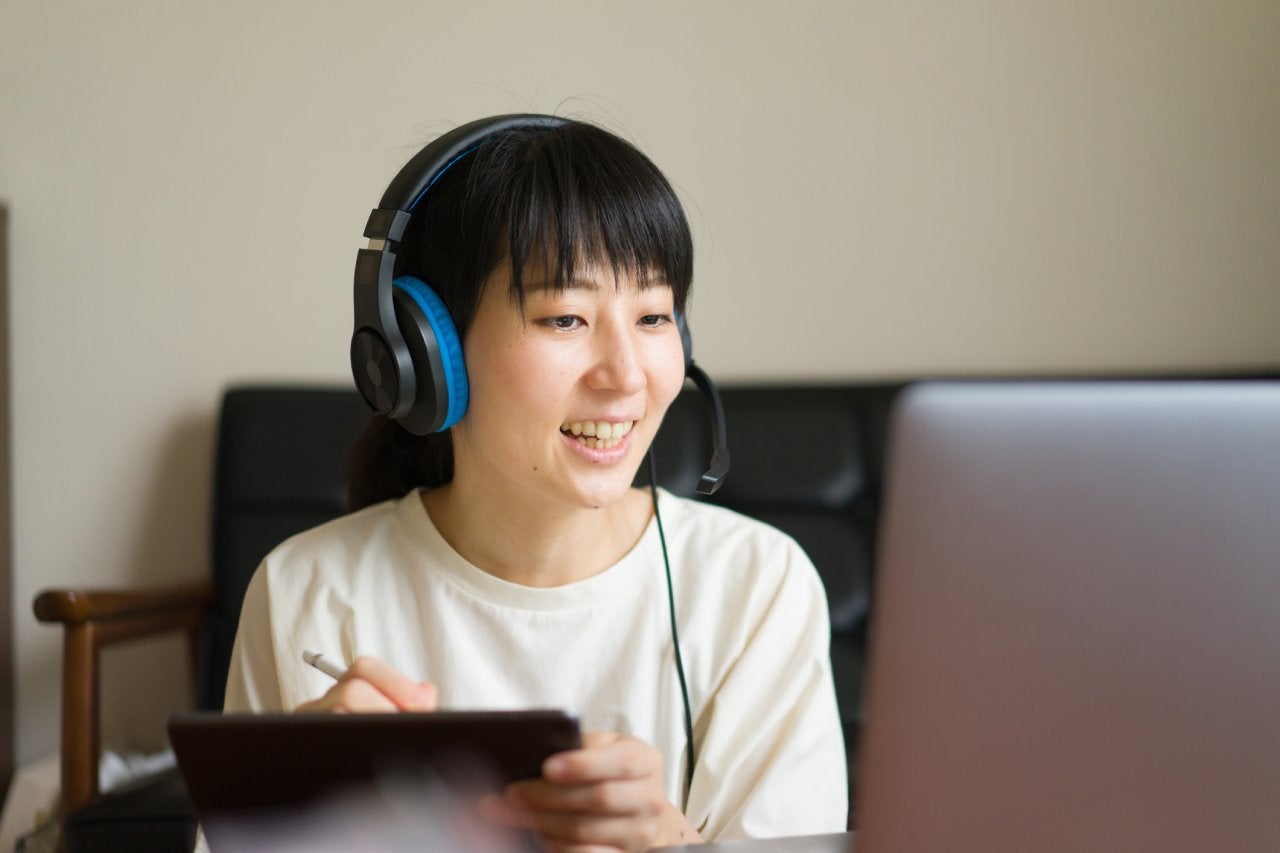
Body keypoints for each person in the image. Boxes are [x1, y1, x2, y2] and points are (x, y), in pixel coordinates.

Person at [220, 114, 847, 851]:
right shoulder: (307, 589)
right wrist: (293, 820)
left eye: (652, 314)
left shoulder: (756, 585)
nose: (625, 376)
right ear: (426, 352)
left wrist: (667, 840)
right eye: (566, 317)